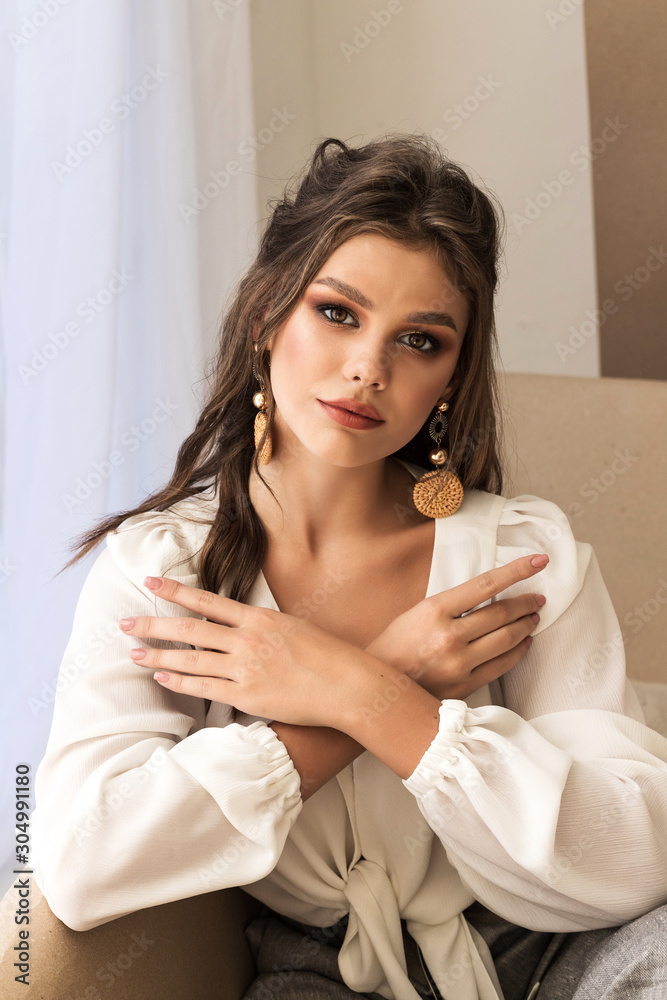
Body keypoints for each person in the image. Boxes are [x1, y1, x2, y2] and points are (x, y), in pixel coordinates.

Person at [31, 134, 667, 1000]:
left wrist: (361, 692)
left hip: (554, 952)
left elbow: (635, 855)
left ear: (451, 376)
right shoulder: (165, 570)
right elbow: (77, 861)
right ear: (266, 316)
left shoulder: (519, 558)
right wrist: (387, 677)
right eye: (337, 313)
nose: (369, 369)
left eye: (420, 340)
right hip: (315, 966)